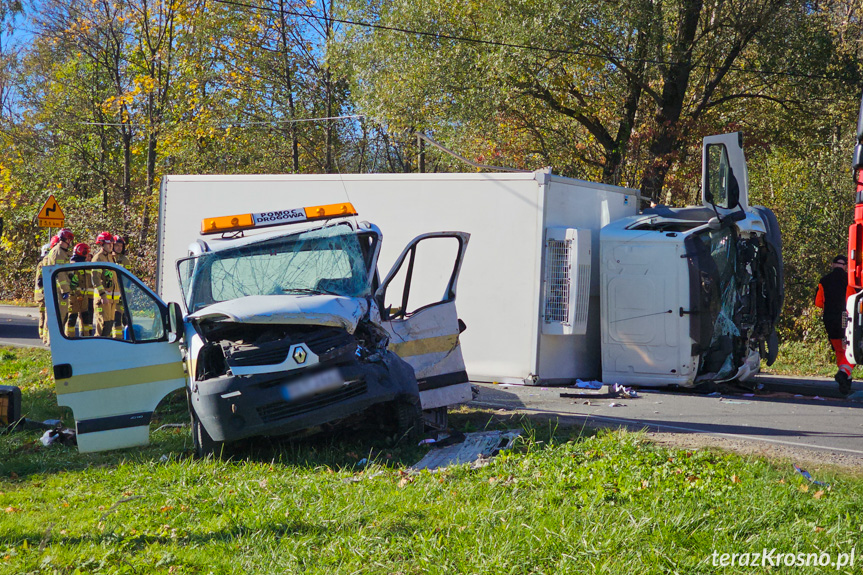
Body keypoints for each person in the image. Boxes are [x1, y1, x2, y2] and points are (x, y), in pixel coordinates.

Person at [815, 254, 854, 394]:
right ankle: (844, 374)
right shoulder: (849, 281)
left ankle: (845, 381)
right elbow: (852, 300)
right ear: (845, 266)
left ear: (832, 265)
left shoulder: (823, 281)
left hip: (830, 320)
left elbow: (818, 302)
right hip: (846, 319)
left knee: (839, 350)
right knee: (851, 349)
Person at [41, 229, 74, 345]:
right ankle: (52, 340)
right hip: (58, 290)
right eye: (69, 239)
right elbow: (59, 273)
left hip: (61, 289)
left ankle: (55, 340)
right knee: (57, 316)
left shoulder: (63, 252)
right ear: (64, 239)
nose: (70, 242)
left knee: (62, 315)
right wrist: (65, 289)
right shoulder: (58, 252)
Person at [91, 231, 119, 338]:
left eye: (112, 244)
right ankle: (97, 349)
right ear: (102, 244)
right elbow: (95, 279)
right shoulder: (98, 258)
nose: (111, 246)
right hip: (103, 299)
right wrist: (102, 295)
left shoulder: (111, 258)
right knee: (102, 325)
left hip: (112, 299)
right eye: (109, 244)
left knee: (109, 324)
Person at [34, 235, 59, 342]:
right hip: (42, 295)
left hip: (45, 294)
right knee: (43, 314)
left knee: (46, 315)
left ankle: (44, 335)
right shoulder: (42, 264)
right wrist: (45, 291)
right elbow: (40, 281)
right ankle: (43, 336)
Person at [65, 243, 94, 337]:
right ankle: (70, 337)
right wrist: (78, 293)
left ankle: (85, 337)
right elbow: (71, 282)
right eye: (86, 253)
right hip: (74, 296)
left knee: (85, 317)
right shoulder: (73, 265)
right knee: (72, 318)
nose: (87, 255)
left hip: (84, 296)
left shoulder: (84, 265)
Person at [112, 235, 131, 338]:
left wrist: (124, 294)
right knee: (110, 319)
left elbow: (128, 278)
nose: (119, 248)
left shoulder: (125, 260)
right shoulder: (109, 258)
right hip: (110, 293)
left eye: (121, 246)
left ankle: (119, 339)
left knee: (119, 317)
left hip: (122, 294)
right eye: (117, 245)